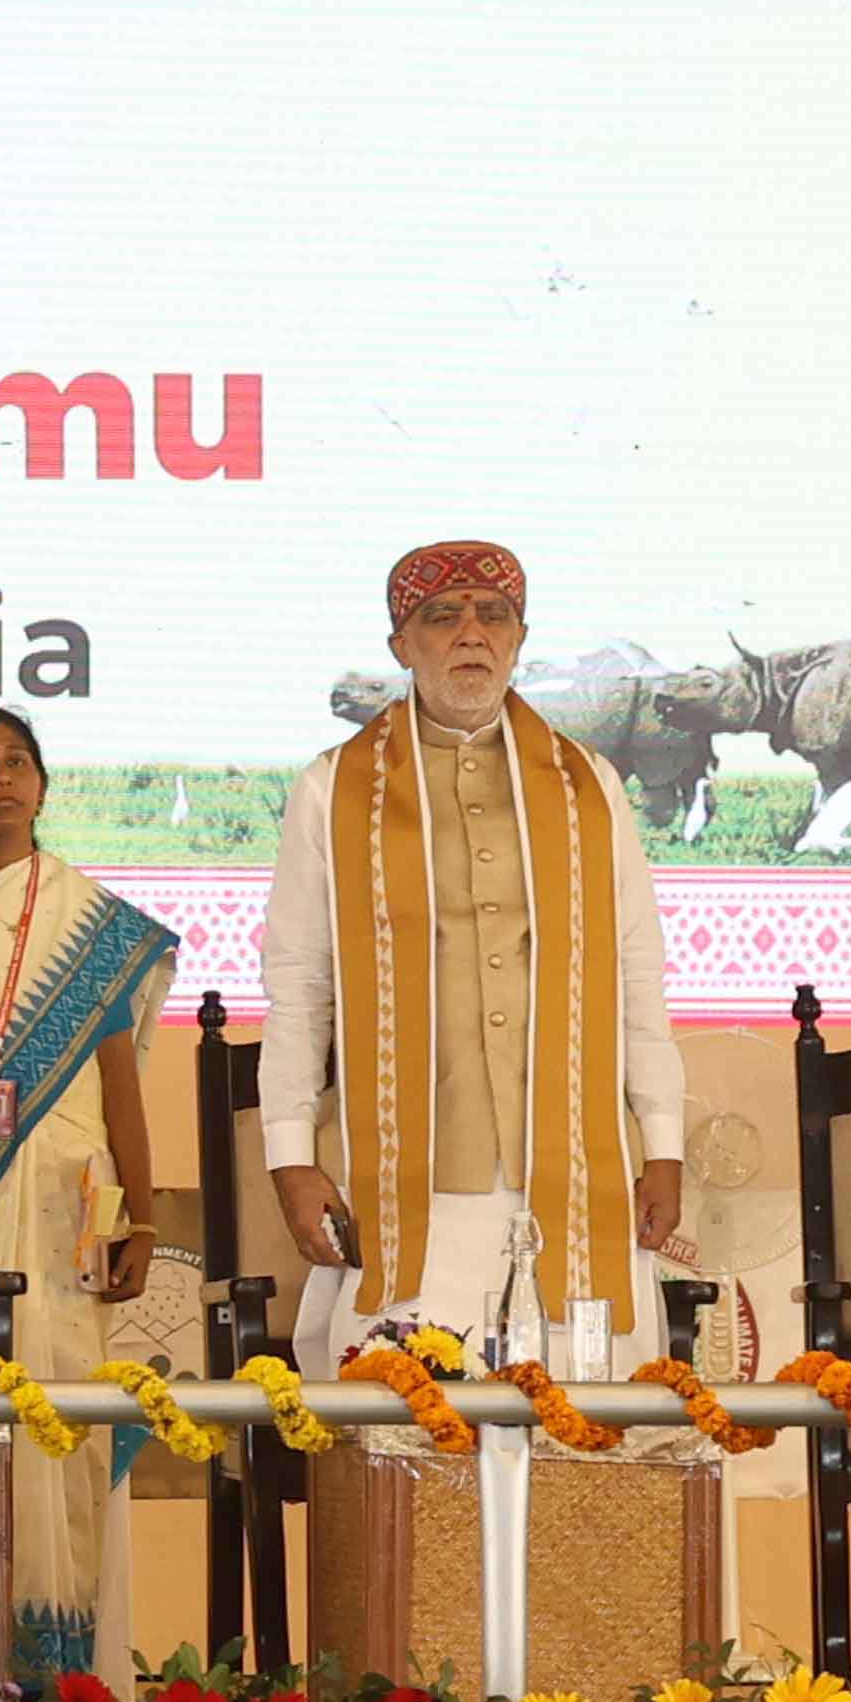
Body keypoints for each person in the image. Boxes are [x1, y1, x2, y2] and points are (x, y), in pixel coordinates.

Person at [258, 539, 688, 1357]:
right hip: (413, 1181)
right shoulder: (332, 788)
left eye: (493, 616)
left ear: (519, 640)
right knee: (404, 1412)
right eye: (441, 617)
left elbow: (637, 974)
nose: (471, 634)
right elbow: (300, 984)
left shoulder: (589, 785)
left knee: (582, 1411)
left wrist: (663, 1146)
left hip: (572, 1172)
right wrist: (291, 1158)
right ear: (401, 645)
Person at [0, 706, 178, 1672]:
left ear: (42, 784)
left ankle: (55, 1676)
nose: (1, 777)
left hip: (62, 1204)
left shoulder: (94, 926)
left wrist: (144, 1219)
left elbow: (122, 1086)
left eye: (17, 761)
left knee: (57, 1410)